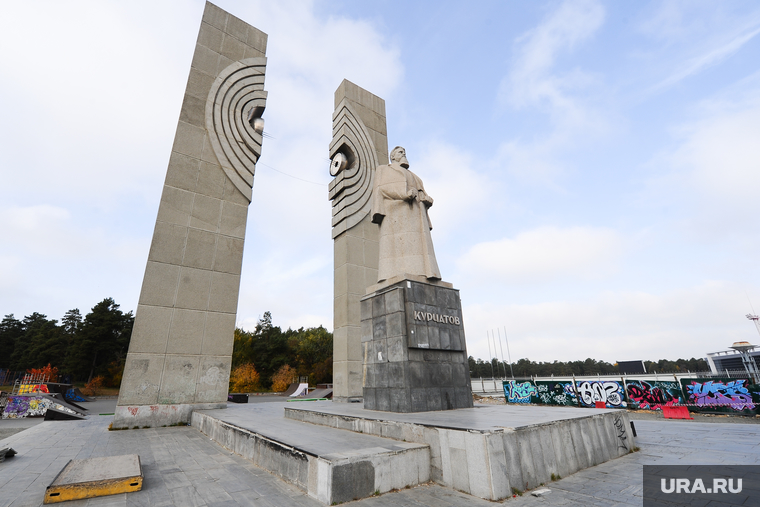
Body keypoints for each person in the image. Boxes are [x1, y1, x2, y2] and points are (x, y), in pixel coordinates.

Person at [371, 146, 441, 283]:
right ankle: (393, 275)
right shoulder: (384, 169)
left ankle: (422, 273)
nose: (403, 154)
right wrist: (403, 194)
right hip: (395, 214)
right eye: (400, 152)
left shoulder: (416, 177)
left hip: (416, 214)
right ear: (393, 157)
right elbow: (381, 189)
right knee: (395, 248)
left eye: (404, 152)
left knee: (418, 248)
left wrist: (427, 199)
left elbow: (422, 193)